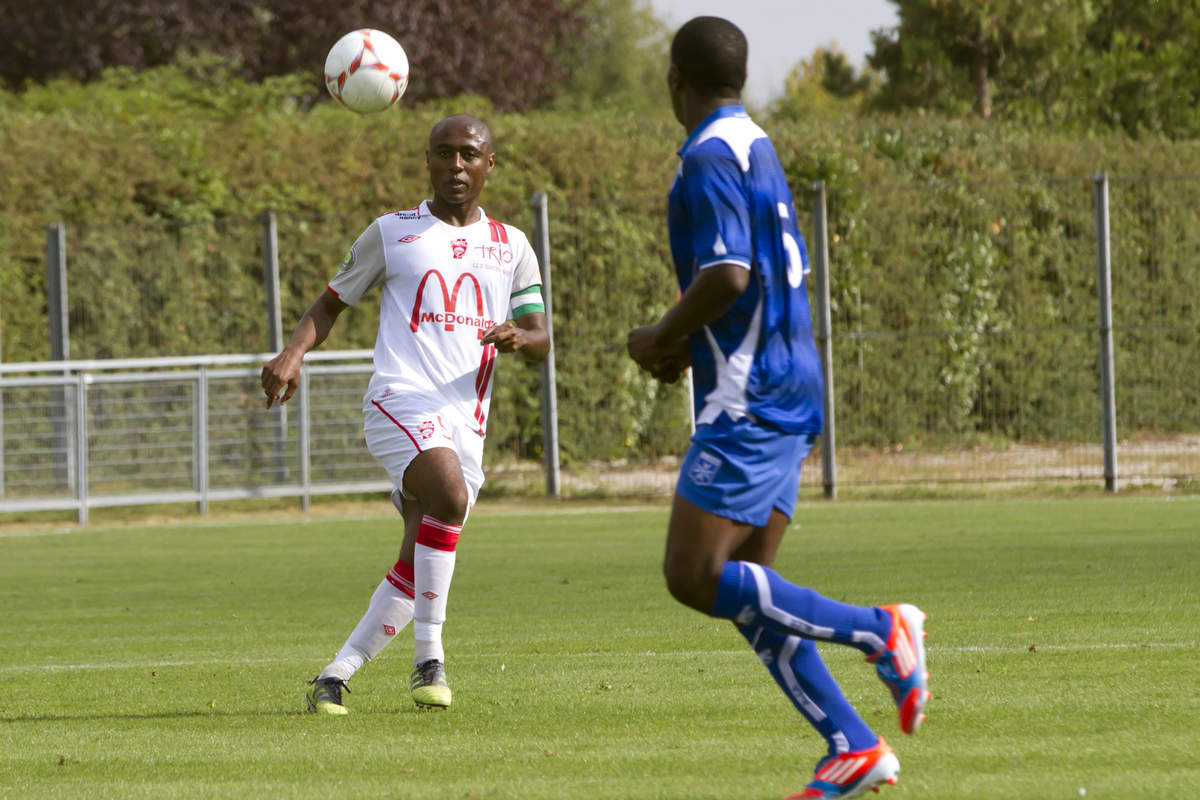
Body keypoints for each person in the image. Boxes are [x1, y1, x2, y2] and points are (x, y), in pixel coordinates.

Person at [626, 17, 929, 800]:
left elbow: (727, 275)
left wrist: (657, 332)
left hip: (750, 399)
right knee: (754, 586)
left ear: (675, 81)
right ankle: (853, 745)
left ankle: (881, 629)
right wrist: (683, 350)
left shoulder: (707, 154)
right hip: (788, 380)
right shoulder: (757, 145)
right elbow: (751, 288)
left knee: (694, 575)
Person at [261, 113, 550, 714]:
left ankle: (333, 678)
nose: (456, 166)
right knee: (447, 495)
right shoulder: (393, 232)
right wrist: (293, 352)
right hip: (399, 398)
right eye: (444, 154)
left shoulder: (512, 244)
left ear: (488, 163)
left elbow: (542, 332)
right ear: (428, 160)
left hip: (465, 418)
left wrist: (521, 338)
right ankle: (429, 661)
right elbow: (332, 301)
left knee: (419, 559)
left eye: (469, 154)